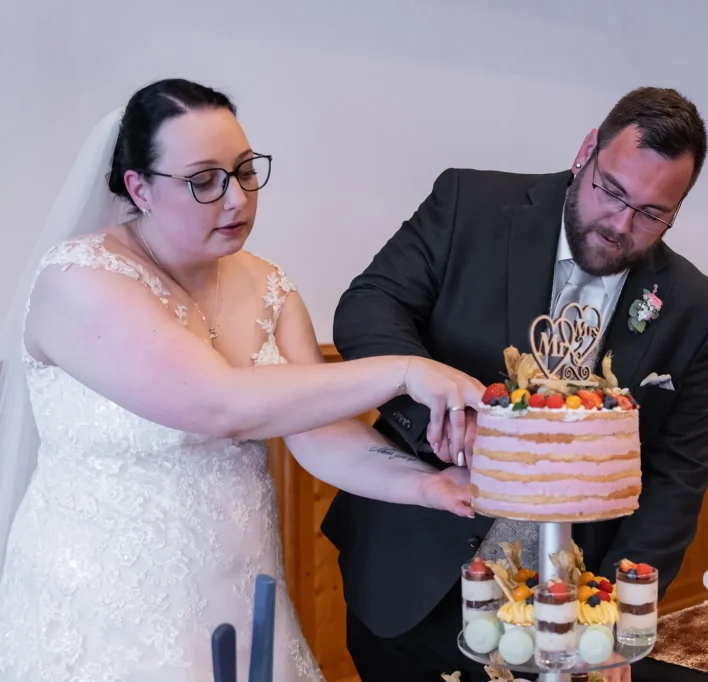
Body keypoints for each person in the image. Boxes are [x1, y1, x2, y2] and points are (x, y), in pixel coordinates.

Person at [0, 78, 483, 682]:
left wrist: (426, 486)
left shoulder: (268, 286)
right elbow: (218, 404)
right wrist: (404, 370)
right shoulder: (80, 282)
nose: (237, 199)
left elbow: (319, 432)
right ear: (138, 188)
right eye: (204, 181)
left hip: (238, 584)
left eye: (245, 170)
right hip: (104, 600)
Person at [325, 86, 708, 681]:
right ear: (586, 152)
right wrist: (434, 401)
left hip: (564, 612)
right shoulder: (470, 203)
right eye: (610, 191)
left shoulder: (693, 304)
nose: (620, 224)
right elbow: (368, 306)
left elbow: (678, 470)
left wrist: (615, 607)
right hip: (414, 573)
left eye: (651, 213)